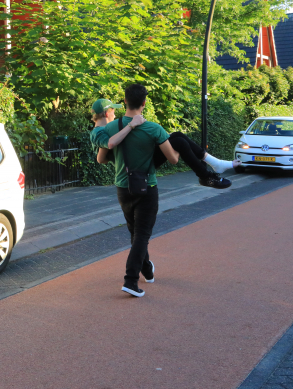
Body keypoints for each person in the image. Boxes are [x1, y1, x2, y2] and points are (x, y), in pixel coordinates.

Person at [89, 85, 193, 297]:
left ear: (125, 101)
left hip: (122, 188)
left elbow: (100, 159)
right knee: (142, 236)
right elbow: (173, 160)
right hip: (147, 187)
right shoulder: (154, 128)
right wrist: (179, 150)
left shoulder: (111, 128)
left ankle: (147, 269)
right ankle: (130, 280)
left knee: (135, 234)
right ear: (144, 103)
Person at [92, 103, 237, 190]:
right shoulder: (101, 131)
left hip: (138, 160)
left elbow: (102, 157)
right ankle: (206, 175)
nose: (115, 113)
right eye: (113, 110)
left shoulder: (110, 128)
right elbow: (105, 152)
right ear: (107, 113)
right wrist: (132, 124)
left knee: (178, 135)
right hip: (139, 164)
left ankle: (214, 164)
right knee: (179, 142)